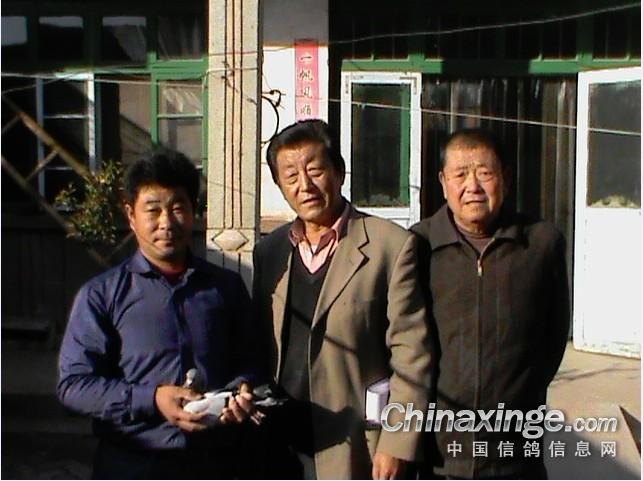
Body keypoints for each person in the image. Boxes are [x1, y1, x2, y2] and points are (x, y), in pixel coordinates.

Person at [57, 148, 259, 479]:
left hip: (217, 462)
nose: (166, 222)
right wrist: (151, 398)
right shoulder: (102, 295)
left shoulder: (226, 287)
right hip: (132, 464)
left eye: (178, 208)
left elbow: (252, 361)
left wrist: (240, 390)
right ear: (131, 215)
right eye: (153, 210)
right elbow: (74, 386)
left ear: (194, 211)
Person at [253, 119, 431, 480]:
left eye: (315, 170)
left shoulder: (390, 246)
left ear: (339, 173)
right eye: (291, 176)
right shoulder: (270, 252)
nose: (305, 185)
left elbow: (412, 355)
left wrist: (397, 442)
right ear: (280, 186)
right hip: (280, 443)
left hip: (355, 446)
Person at [411, 129, 570, 479]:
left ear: (506, 179)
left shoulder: (541, 243)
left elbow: (553, 337)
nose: (473, 186)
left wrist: (521, 393)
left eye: (484, 173)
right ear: (443, 182)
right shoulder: (419, 245)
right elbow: (406, 343)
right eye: (460, 174)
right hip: (439, 454)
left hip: (515, 454)